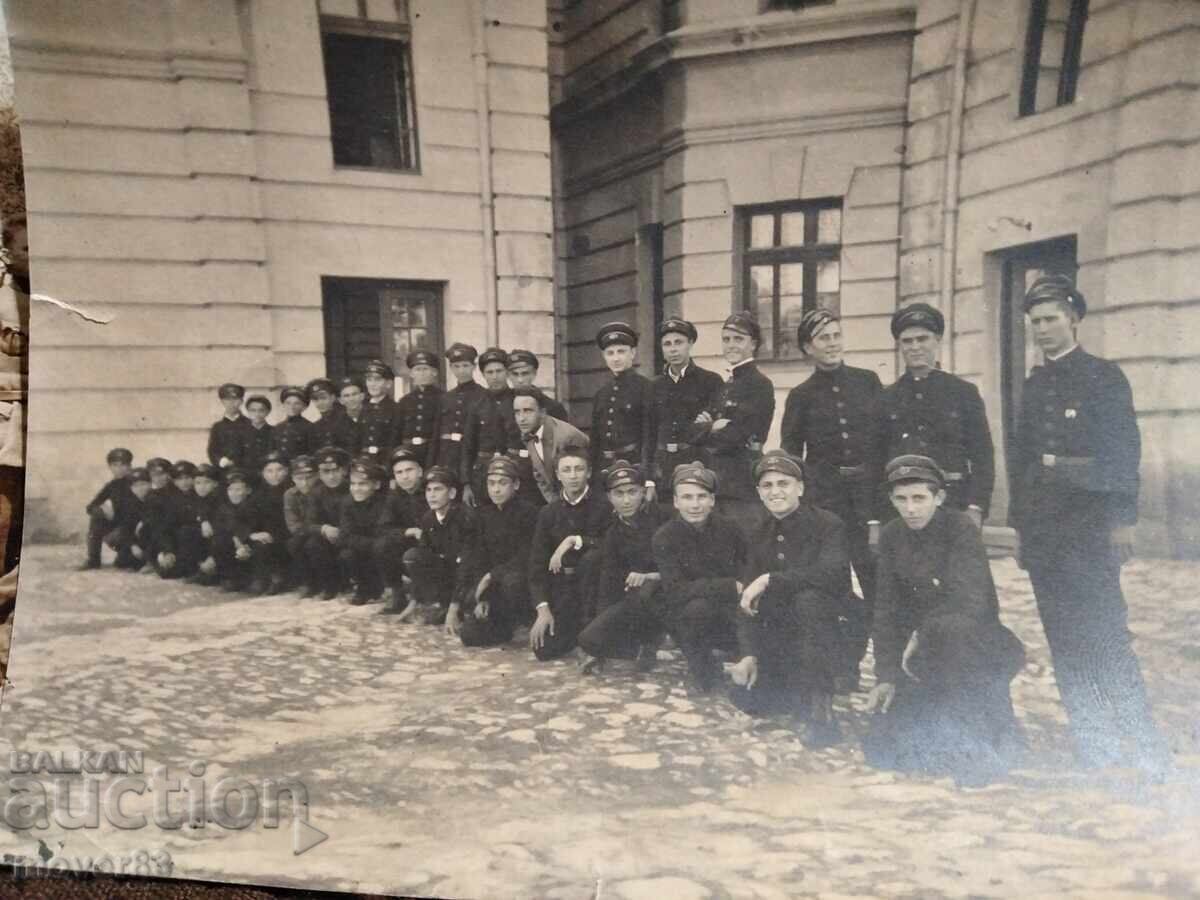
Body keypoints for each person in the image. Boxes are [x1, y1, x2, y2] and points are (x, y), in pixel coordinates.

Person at [1009, 275, 1169, 775]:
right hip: (1045, 537)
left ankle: (1143, 742)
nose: (1042, 329)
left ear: (1074, 319)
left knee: (1106, 637)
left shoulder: (1104, 377)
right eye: (1035, 321)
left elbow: (1123, 454)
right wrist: (1020, 529)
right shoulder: (1034, 385)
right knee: (1064, 641)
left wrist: (1122, 521)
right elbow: (1022, 461)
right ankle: (1094, 741)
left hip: (1090, 533)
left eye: (1051, 319)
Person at [864, 455, 1025, 788]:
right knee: (883, 750)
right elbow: (885, 609)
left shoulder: (960, 529)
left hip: (973, 647)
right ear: (891, 500)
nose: (911, 509)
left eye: (919, 498)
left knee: (954, 637)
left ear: (939, 497)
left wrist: (921, 633)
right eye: (901, 499)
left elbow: (969, 600)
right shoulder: (892, 536)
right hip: (920, 655)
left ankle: (985, 740)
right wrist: (886, 675)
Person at [780, 308, 883, 693]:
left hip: (869, 504)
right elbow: (792, 457)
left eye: (837, 335)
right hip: (828, 506)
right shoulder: (801, 396)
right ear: (808, 347)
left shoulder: (868, 382)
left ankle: (886, 669)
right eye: (824, 338)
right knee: (836, 588)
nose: (833, 343)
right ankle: (844, 666)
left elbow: (883, 440)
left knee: (877, 587)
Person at [727, 451, 849, 747]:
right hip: (782, 631)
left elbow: (833, 576)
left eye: (784, 483)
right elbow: (747, 599)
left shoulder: (827, 524)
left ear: (800, 488)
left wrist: (771, 579)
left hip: (827, 627)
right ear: (759, 492)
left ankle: (821, 709)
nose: (775, 492)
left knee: (809, 600)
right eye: (767, 485)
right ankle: (786, 683)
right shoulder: (757, 531)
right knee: (749, 698)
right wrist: (749, 653)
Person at [869, 303, 993, 527]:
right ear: (899, 345)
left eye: (922, 339)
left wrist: (976, 507)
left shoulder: (963, 393)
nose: (915, 347)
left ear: (937, 340)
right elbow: (874, 464)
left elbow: (983, 457)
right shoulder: (886, 399)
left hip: (953, 505)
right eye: (907, 341)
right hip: (901, 511)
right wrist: (875, 518)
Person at [652, 462, 747, 694]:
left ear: (712, 500)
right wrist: (727, 586)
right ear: (676, 502)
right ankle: (702, 671)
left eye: (701, 496)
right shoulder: (664, 536)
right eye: (687, 497)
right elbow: (675, 590)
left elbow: (746, 571)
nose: (695, 505)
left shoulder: (732, 529)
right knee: (696, 609)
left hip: (731, 609)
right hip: (691, 613)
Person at [576, 460, 670, 673]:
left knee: (646, 591)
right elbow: (607, 584)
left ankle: (657, 639)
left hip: (668, 594)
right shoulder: (613, 532)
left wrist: (650, 576)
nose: (626, 500)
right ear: (609, 497)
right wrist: (600, 629)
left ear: (643, 492)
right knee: (587, 639)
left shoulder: (664, 518)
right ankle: (641, 647)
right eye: (619, 494)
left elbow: (683, 569)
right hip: (636, 600)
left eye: (632, 492)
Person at [527, 443, 611, 662]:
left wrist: (576, 540)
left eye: (579, 469)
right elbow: (536, 564)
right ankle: (579, 637)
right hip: (563, 590)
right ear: (557, 474)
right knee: (544, 650)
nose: (573, 476)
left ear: (589, 472)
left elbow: (612, 546)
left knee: (592, 559)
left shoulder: (604, 506)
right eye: (566, 470)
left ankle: (591, 638)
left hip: (594, 592)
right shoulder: (548, 513)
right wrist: (543, 608)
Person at [693, 312, 775, 529]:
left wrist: (709, 429)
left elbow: (738, 435)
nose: (731, 345)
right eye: (726, 339)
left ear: (753, 344)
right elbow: (694, 431)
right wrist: (712, 427)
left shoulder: (759, 384)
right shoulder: (725, 385)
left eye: (738, 339)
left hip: (741, 480)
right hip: (718, 478)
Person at [458, 456, 540, 647]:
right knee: (468, 636)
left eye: (503, 483)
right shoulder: (483, 514)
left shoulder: (530, 513)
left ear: (516, 484)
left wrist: (491, 576)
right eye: (491, 483)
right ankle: (505, 627)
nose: (496, 489)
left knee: (512, 582)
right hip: (495, 586)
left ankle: (524, 620)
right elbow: (479, 556)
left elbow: (527, 555)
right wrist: (483, 598)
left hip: (520, 583)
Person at [652, 318, 723, 499]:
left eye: (679, 342)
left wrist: (706, 427)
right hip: (662, 466)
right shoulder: (653, 386)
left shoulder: (711, 381)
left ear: (690, 344)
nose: (673, 349)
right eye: (667, 344)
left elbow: (714, 429)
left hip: (696, 463)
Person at [402, 466, 480, 630]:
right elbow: (425, 554)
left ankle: (453, 608)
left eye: (438, 489)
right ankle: (439, 604)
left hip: (469, 575)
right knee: (413, 556)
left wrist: (454, 608)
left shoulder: (466, 517)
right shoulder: (428, 518)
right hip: (448, 574)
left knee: (472, 603)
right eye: (428, 490)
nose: (432, 495)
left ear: (452, 493)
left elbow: (467, 564)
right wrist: (413, 602)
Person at [589, 322, 655, 498]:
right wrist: (592, 475)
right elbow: (595, 440)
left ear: (632, 353)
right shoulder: (601, 393)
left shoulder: (645, 388)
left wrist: (649, 478)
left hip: (634, 468)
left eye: (621, 351)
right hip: (604, 469)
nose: (616, 358)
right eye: (610, 353)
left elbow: (649, 436)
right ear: (604, 356)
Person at [510, 386, 588, 507]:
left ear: (542, 412)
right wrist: (554, 506)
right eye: (517, 412)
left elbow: (580, 480)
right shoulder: (528, 434)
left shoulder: (567, 437)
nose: (521, 418)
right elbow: (540, 476)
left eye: (528, 411)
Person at [377, 447, 429, 617]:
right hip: (411, 542)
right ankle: (397, 595)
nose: (405, 476)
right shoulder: (395, 495)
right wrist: (408, 531)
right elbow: (384, 527)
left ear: (420, 471)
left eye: (409, 470)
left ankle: (431, 598)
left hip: (433, 545)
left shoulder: (432, 489)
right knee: (383, 546)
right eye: (399, 472)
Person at [461, 348, 515, 507]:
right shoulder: (477, 404)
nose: (495, 376)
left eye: (499, 371)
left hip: (512, 470)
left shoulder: (518, 400)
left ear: (507, 372)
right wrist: (466, 484)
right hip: (483, 473)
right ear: (483, 375)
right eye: (489, 372)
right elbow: (468, 446)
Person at [337, 458, 393, 605]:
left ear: (376, 485)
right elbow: (344, 536)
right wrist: (369, 543)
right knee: (347, 554)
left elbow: (386, 531)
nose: (356, 489)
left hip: (383, 548)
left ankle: (391, 588)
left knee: (382, 548)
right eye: (353, 484)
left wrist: (367, 542)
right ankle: (364, 588)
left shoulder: (387, 501)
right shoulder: (348, 503)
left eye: (362, 484)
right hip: (366, 546)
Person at [432, 342, 485, 477]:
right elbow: (436, 433)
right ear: (451, 368)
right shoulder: (446, 398)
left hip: (471, 457)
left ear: (474, 366)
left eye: (465, 365)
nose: (461, 370)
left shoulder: (483, 395)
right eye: (456, 366)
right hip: (446, 457)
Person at [82, 447, 138, 570]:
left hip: (136, 528)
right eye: (115, 465)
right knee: (96, 516)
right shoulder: (112, 485)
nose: (119, 469)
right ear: (110, 467)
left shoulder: (137, 481)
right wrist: (104, 510)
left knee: (124, 563)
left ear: (130, 466)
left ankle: (131, 555)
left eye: (123, 465)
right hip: (120, 528)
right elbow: (91, 506)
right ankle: (93, 560)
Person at [246, 450, 291, 594]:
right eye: (269, 471)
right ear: (263, 474)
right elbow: (243, 519)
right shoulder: (258, 495)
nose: (275, 475)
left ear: (287, 471)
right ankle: (261, 578)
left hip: (287, 538)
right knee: (260, 544)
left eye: (279, 470)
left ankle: (280, 578)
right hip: (266, 540)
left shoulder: (292, 491)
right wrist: (252, 534)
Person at [310, 446, 352, 599]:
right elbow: (310, 522)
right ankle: (330, 585)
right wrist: (324, 528)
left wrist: (342, 532)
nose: (331, 476)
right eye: (325, 472)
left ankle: (350, 582)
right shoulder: (317, 492)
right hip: (329, 537)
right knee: (313, 544)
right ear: (319, 474)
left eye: (335, 470)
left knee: (348, 554)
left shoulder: (354, 487)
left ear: (344, 470)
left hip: (351, 536)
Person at [211, 468, 258, 592]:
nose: (234, 493)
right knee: (220, 541)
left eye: (238, 489)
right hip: (236, 544)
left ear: (248, 490)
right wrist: (237, 539)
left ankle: (254, 577)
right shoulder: (224, 508)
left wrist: (243, 542)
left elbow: (254, 526)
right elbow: (221, 527)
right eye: (230, 490)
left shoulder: (254, 506)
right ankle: (229, 578)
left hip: (250, 543)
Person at [394, 350, 442, 468]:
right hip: (408, 453)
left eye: (425, 369)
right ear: (411, 374)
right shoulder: (405, 401)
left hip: (433, 454)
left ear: (434, 372)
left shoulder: (443, 398)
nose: (422, 373)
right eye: (418, 369)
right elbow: (396, 433)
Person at [283, 455, 322, 597]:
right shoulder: (290, 495)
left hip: (322, 532)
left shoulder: (322, 491)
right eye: (299, 478)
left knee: (313, 545)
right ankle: (308, 582)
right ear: (293, 478)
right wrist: (308, 530)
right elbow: (293, 524)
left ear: (317, 476)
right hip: (305, 533)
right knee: (294, 543)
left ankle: (325, 581)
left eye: (309, 478)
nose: (305, 483)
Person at [184, 463, 222, 585]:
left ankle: (215, 569)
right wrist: (204, 521)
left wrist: (213, 557)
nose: (202, 487)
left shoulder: (221, 499)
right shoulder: (195, 498)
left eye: (207, 482)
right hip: (208, 541)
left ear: (215, 484)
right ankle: (200, 568)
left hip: (221, 542)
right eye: (198, 483)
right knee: (187, 531)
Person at [507, 348, 569, 422]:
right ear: (508, 375)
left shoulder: (552, 408)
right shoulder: (502, 405)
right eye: (515, 374)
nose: (520, 380)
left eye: (525, 374)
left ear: (534, 374)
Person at [361, 359, 399, 463]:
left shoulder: (395, 409)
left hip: (385, 461)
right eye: (369, 380)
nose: (372, 384)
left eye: (377, 380)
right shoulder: (363, 408)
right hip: (364, 461)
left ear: (388, 384)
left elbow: (395, 441)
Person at [207, 383, 251, 470]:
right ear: (222, 402)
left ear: (241, 401)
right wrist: (220, 460)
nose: (231, 403)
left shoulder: (250, 424)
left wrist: (235, 462)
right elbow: (212, 451)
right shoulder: (217, 427)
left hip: (244, 470)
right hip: (222, 470)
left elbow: (252, 452)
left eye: (235, 399)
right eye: (227, 399)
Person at [308, 377, 358, 453]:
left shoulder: (346, 421)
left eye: (323, 398)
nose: (320, 403)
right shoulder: (315, 426)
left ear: (333, 398)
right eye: (316, 399)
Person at [273, 386, 313, 462]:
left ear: (304, 407)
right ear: (283, 405)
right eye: (288, 403)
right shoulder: (278, 427)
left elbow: (311, 454)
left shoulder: (310, 427)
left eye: (297, 403)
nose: (292, 407)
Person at [243, 395, 276, 477]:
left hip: (269, 475)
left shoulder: (275, 432)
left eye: (261, 410)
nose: (257, 414)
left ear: (268, 412)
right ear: (248, 412)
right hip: (246, 475)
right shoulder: (240, 433)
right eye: (253, 410)